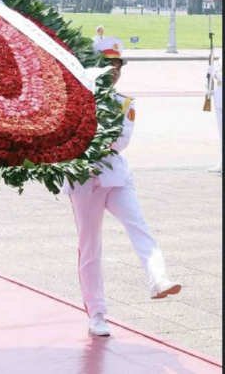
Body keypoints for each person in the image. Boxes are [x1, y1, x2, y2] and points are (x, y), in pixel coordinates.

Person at [65, 37, 182, 337]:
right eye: (108, 64)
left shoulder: (124, 104)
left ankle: (158, 278)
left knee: (138, 224)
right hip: (84, 182)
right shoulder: (76, 99)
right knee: (90, 246)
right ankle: (97, 313)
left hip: (116, 177)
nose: (114, 70)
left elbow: (121, 141)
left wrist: (92, 138)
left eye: (117, 65)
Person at [208, 57, 222, 175]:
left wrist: (215, 73)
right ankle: (221, 162)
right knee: (221, 134)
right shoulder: (221, 57)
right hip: (219, 98)